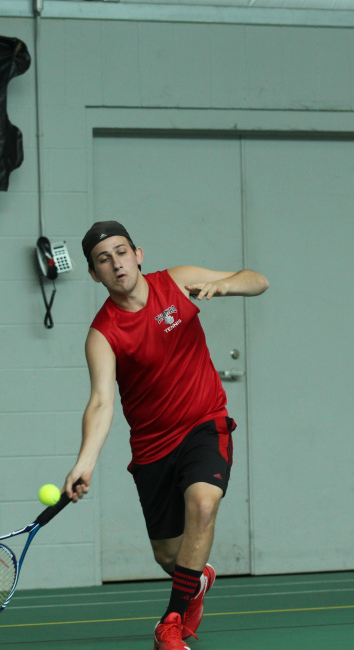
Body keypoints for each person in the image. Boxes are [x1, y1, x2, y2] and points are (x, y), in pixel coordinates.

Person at [62, 221, 269, 650]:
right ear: (93, 274)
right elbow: (101, 402)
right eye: (103, 259)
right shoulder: (103, 334)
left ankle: (169, 625)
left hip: (204, 424)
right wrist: (84, 463)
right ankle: (198, 578)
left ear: (138, 254)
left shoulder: (176, 282)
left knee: (204, 503)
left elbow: (258, 280)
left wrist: (227, 286)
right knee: (170, 557)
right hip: (153, 447)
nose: (115, 263)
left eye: (121, 252)